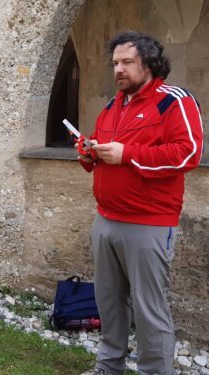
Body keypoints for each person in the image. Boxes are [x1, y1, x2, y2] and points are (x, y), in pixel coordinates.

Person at [77, 31, 203, 375]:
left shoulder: (172, 100)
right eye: (115, 63)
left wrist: (127, 154)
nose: (118, 69)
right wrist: (90, 153)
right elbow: (107, 154)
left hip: (149, 223)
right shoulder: (111, 105)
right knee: (109, 303)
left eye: (127, 62)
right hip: (105, 220)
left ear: (148, 62)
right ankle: (109, 368)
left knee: (150, 309)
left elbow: (187, 153)